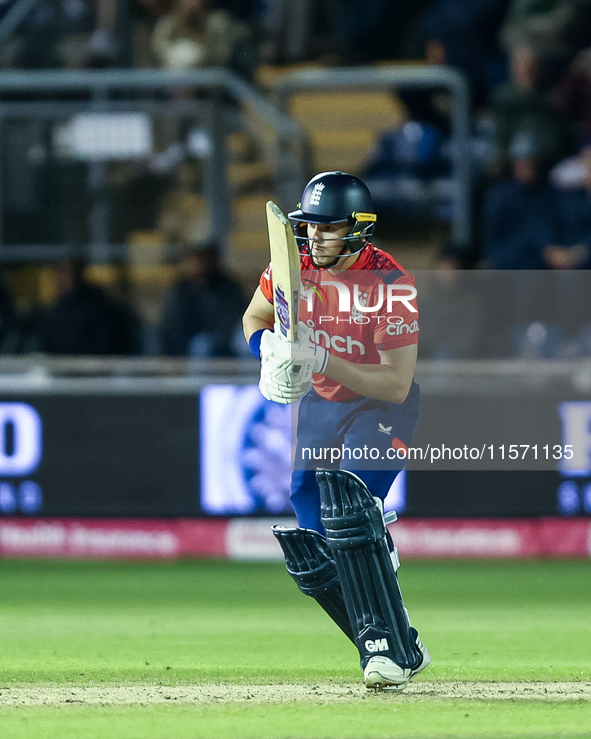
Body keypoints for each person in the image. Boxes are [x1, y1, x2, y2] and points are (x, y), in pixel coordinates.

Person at [242, 171, 430, 692]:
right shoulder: (294, 265)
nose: (316, 239)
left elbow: (395, 383)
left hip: (380, 407)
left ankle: (380, 634)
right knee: (318, 550)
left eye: (329, 228)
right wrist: (268, 352)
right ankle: (399, 643)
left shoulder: (391, 284)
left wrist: (319, 356)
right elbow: (254, 316)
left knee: (348, 507)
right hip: (323, 407)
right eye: (310, 227)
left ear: (359, 228)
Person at [160, 240, 247, 356]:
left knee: (204, 344)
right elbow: (172, 326)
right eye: (196, 257)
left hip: (223, 349)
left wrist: (214, 340)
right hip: (185, 352)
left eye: (205, 257)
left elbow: (232, 322)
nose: (200, 262)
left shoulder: (230, 287)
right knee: (199, 344)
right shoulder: (181, 290)